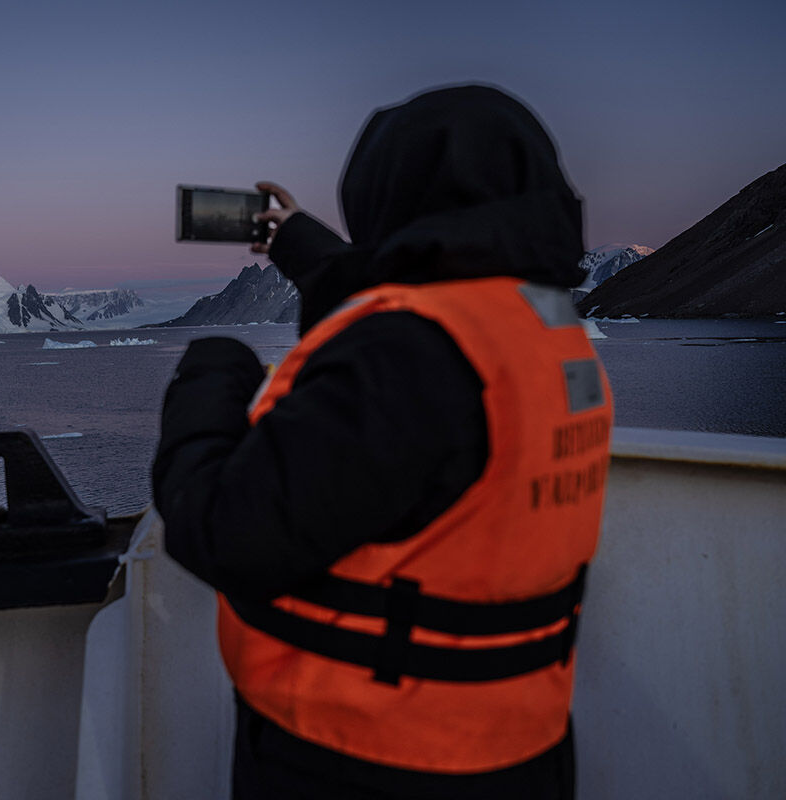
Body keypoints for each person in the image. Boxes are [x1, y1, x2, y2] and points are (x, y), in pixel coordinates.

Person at [152, 85, 613, 799]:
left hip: (363, 751)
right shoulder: (541, 326)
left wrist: (212, 373)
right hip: (517, 743)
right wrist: (302, 243)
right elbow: (430, 315)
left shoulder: (405, 353)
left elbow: (223, 532)